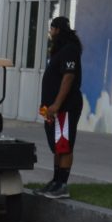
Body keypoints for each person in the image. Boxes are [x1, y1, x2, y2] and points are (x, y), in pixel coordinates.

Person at [38, 16, 81, 198]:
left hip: (65, 107)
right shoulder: (59, 50)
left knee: (64, 145)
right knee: (57, 145)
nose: (50, 33)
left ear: (58, 30)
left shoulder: (70, 50)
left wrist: (56, 104)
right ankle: (55, 181)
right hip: (52, 109)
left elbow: (68, 77)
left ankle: (62, 185)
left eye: (52, 29)